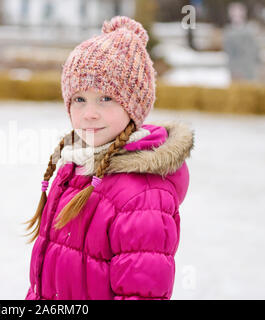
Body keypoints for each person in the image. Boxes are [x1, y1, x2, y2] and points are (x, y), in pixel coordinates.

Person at [23, 16, 194, 300]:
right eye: (79, 99)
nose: (89, 112)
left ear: (134, 108)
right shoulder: (72, 169)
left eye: (105, 99)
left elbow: (142, 293)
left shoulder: (143, 197)